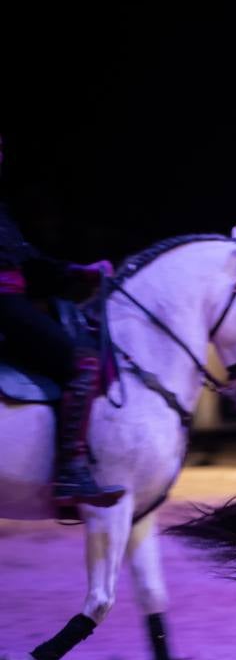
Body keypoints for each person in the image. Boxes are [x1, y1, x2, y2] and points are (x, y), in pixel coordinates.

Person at [0, 134, 123, 505]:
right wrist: (75, 272)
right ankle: (71, 471)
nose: (2, 153)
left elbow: (26, 259)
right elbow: (21, 263)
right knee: (83, 361)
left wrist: (76, 272)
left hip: (14, 297)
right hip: (4, 301)